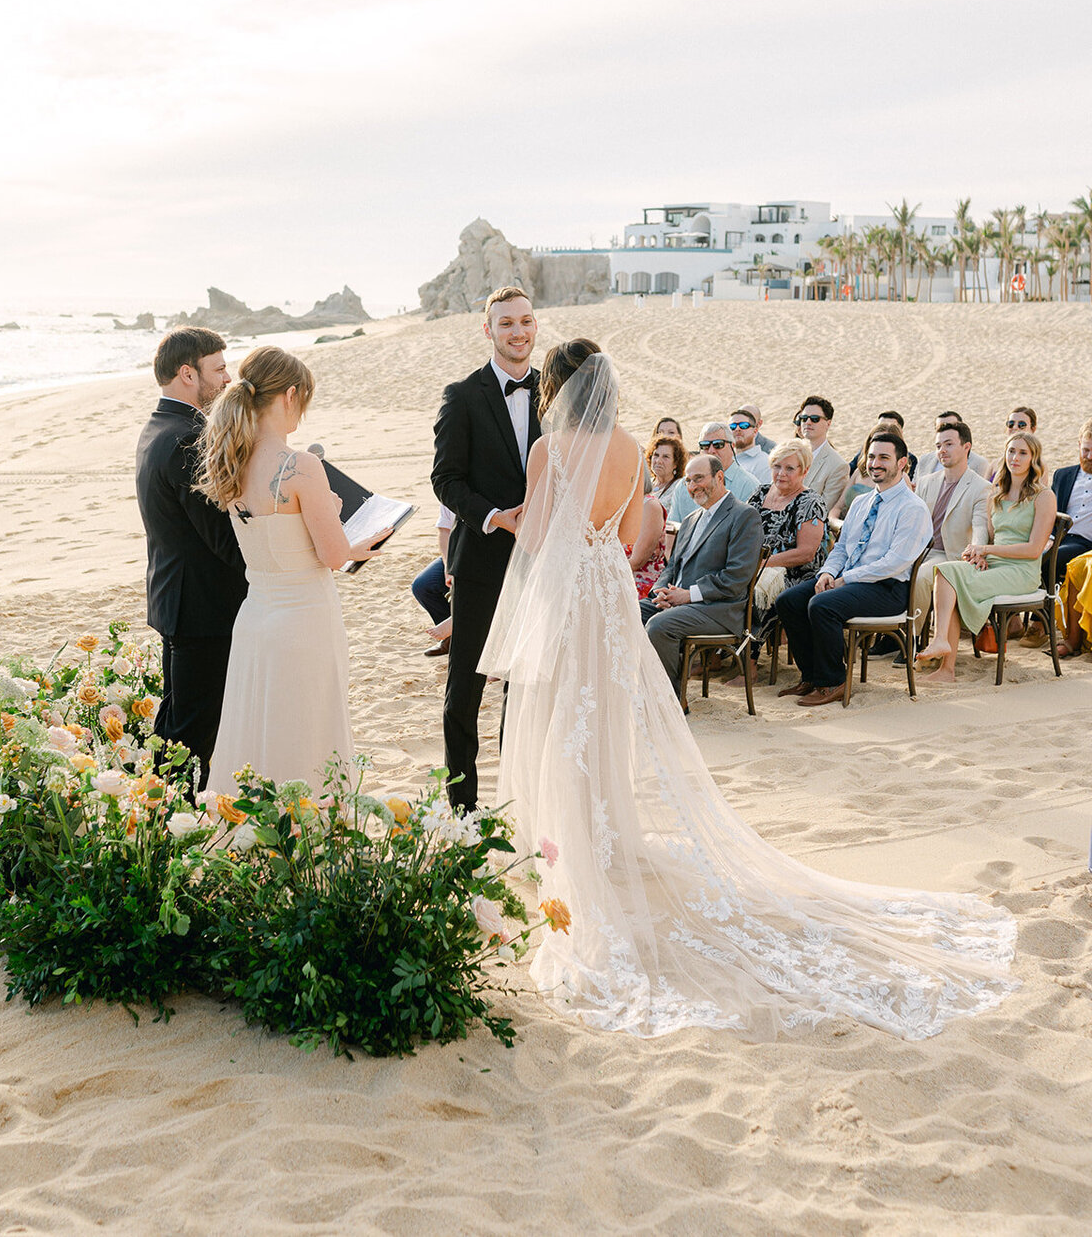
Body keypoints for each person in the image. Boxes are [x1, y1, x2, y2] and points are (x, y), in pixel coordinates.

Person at [481, 343, 1016, 1040]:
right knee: (600, 717)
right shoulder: (630, 446)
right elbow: (638, 535)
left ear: (557, 389)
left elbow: (542, 541)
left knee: (564, 719)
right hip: (607, 591)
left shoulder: (549, 451)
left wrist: (504, 520)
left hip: (575, 598)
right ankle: (604, 839)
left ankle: (576, 850)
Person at [196, 347, 387, 787]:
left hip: (256, 615)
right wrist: (347, 532)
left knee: (257, 727)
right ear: (291, 395)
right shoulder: (300, 466)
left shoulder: (230, 461)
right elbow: (334, 556)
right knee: (307, 728)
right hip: (303, 618)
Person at [432, 286, 541, 812]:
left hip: (542, 565)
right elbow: (446, 479)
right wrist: (496, 518)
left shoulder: (557, 393)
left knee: (523, 688)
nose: (517, 332)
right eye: (506, 324)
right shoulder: (462, 395)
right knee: (465, 689)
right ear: (488, 331)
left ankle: (517, 799)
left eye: (525, 321)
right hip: (481, 563)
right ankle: (463, 807)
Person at [135, 328, 248, 783]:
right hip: (203, 609)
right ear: (188, 374)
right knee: (192, 731)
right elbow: (221, 536)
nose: (227, 379)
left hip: (177, 599)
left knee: (177, 718)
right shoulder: (189, 439)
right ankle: (169, 827)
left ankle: (153, 814)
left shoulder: (157, 426)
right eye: (219, 369)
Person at [774, 432, 932, 707]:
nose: (875, 463)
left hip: (888, 588)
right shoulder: (861, 503)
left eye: (884, 457)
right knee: (788, 601)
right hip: (850, 581)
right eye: (871, 457)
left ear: (902, 462)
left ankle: (833, 681)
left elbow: (895, 562)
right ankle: (811, 676)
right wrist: (827, 573)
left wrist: (846, 579)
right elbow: (843, 549)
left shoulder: (912, 508)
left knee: (822, 605)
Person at [917, 433, 1057, 683]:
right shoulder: (997, 493)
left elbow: (1034, 549)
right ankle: (941, 648)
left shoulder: (1044, 496)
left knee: (956, 583)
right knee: (947, 572)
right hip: (995, 564)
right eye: (1011, 451)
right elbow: (993, 538)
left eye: (1023, 453)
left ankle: (946, 666)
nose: (1015, 457)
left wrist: (986, 551)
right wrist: (981, 556)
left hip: (1021, 572)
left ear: (1033, 458)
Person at [639, 453, 764, 687]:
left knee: (659, 626)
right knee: (627, 612)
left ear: (719, 477)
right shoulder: (690, 519)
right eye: (688, 481)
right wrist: (661, 592)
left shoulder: (744, 515)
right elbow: (672, 566)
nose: (692, 486)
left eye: (698, 478)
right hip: (682, 604)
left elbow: (737, 577)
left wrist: (688, 595)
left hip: (720, 609)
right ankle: (642, 690)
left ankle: (672, 702)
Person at [745, 439, 827, 650]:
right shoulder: (760, 493)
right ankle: (718, 655)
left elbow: (806, 553)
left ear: (804, 470)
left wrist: (764, 563)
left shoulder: (810, 502)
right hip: (757, 564)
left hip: (797, 573)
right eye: (777, 466)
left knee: (760, 590)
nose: (781, 473)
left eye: (789, 468)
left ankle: (749, 662)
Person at [912, 421, 993, 630]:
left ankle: (911, 640)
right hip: (917, 550)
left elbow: (980, 527)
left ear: (966, 447)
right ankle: (887, 634)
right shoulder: (926, 482)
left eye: (948, 444)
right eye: (938, 446)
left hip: (949, 555)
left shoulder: (981, 488)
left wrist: (977, 548)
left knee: (921, 577)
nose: (942, 450)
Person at [667, 423, 761, 521]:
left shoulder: (749, 485)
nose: (711, 450)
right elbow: (673, 528)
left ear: (732, 446)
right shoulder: (683, 486)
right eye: (705, 446)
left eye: (718, 444)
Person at [1049, 419, 1092, 579]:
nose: (1089, 456)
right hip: (1057, 538)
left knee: (1052, 559)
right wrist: (1049, 538)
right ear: (1079, 445)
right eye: (1085, 450)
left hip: (1086, 544)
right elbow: (1050, 512)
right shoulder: (1062, 475)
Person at [411, 506, 454, 657]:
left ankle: (457, 623)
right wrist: (448, 565)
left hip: (480, 555)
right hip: (454, 553)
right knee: (422, 585)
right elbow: (444, 531)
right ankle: (452, 637)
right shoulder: (449, 486)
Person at [795, 395, 849, 514]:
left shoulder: (838, 466)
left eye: (815, 418)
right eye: (804, 418)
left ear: (828, 424)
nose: (808, 422)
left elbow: (822, 511)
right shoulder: (790, 453)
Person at [916, 411, 991, 480]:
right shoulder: (924, 460)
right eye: (941, 427)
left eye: (952, 426)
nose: (946, 430)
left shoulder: (979, 463)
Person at [848, 410, 917, 483]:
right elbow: (850, 470)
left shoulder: (910, 459)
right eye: (880, 425)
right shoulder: (864, 454)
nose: (884, 428)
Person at [628, 490, 668, 598]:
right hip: (619, 575)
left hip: (640, 582)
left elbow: (637, 562)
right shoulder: (621, 502)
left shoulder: (650, 505)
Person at [987, 407, 1039, 481]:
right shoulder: (995, 464)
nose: (1015, 427)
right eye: (1011, 424)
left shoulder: (1038, 465)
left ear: (1033, 429)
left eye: (1021, 425)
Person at [728, 407, 772, 485]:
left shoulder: (764, 462)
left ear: (755, 431)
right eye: (732, 426)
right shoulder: (725, 459)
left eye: (744, 425)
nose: (737, 429)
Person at [645, 433, 686, 514]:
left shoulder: (680, 487)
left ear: (676, 463)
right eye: (656, 455)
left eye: (665, 457)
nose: (659, 461)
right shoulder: (645, 484)